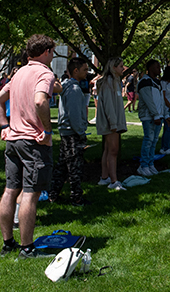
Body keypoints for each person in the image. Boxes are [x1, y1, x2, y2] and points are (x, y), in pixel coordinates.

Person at [0, 34, 57, 259]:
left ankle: (7, 243)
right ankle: (27, 248)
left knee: (11, 190)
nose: (53, 55)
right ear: (46, 52)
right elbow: (40, 101)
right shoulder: (44, 73)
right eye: (52, 51)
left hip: (13, 141)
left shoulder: (18, 73)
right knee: (30, 193)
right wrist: (47, 131)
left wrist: (4, 126)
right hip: (33, 142)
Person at [49, 58, 90, 206]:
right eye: (85, 69)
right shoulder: (73, 89)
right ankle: (76, 198)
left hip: (67, 132)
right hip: (72, 133)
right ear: (75, 71)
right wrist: (81, 132)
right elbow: (74, 115)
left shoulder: (67, 86)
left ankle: (53, 194)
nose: (87, 72)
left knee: (62, 166)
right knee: (75, 168)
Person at [96, 57, 128, 191]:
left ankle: (104, 177)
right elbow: (108, 104)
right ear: (113, 68)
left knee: (108, 149)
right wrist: (113, 123)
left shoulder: (115, 81)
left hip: (112, 122)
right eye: (121, 66)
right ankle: (114, 181)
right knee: (113, 151)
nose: (123, 68)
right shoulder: (109, 82)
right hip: (110, 123)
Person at [137, 59, 167, 175]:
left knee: (154, 141)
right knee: (148, 140)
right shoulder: (144, 82)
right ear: (150, 68)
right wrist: (155, 115)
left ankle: (150, 163)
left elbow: (160, 100)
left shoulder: (157, 82)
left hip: (158, 116)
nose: (159, 69)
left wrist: (165, 115)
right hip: (149, 117)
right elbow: (149, 101)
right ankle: (143, 165)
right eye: (157, 67)